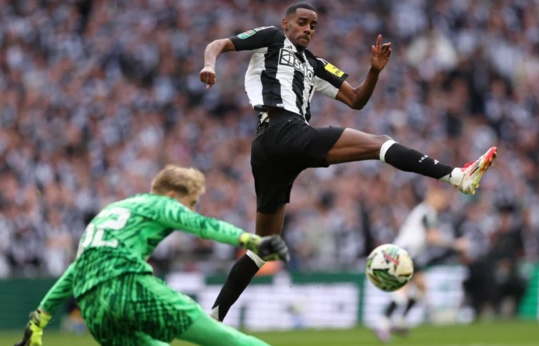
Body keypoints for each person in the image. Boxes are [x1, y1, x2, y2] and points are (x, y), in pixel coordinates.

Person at [200, 1, 498, 324]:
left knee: (263, 249)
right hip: (280, 130)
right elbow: (219, 44)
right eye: (301, 22)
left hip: (271, 150)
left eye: (313, 25)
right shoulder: (273, 38)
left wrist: (374, 71)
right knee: (380, 143)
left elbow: (356, 99)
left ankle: (214, 318)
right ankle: (456, 175)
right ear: (286, 24)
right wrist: (210, 65)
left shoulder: (315, 65)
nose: (307, 29)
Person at [13, 165, 336, 346]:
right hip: (129, 286)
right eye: (190, 201)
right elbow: (201, 226)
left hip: (95, 311)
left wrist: (38, 321)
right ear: (171, 195)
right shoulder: (157, 204)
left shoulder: (106, 215)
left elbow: (73, 272)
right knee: (224, 337)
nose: (190, 208)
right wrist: (252, 241)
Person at [375, 184, 469, 342]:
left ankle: (400, 321)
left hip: (406, 253)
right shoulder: (427, 212)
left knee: (421, 287)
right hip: (404, 253)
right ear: (432, 198)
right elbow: (433, 237)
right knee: (402, 292)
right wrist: (456, 244)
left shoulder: (424, 211)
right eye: (440, 198)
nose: (442, 202)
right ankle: (383, 322)